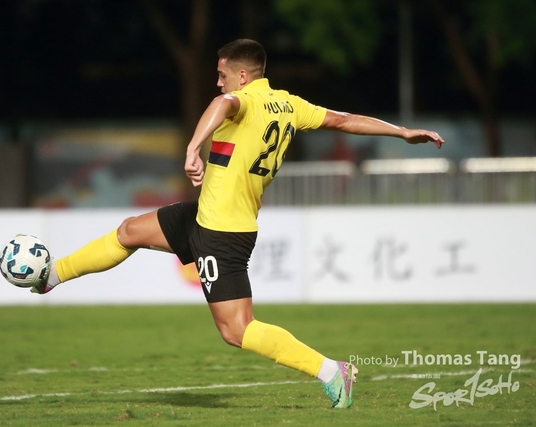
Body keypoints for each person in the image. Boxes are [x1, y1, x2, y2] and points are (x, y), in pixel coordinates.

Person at [31, 39, 444, 409]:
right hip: (205, 214)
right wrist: (402, 132)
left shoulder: (243, 101)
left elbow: (224, 104)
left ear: (243, 76)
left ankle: (331, 371)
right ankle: (52, 275)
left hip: (223, 232)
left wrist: (193, 147)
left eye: (222, 74)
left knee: (237, 329)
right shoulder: (291, 104)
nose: (218, 83)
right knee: (130, 231)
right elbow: (345, 119)